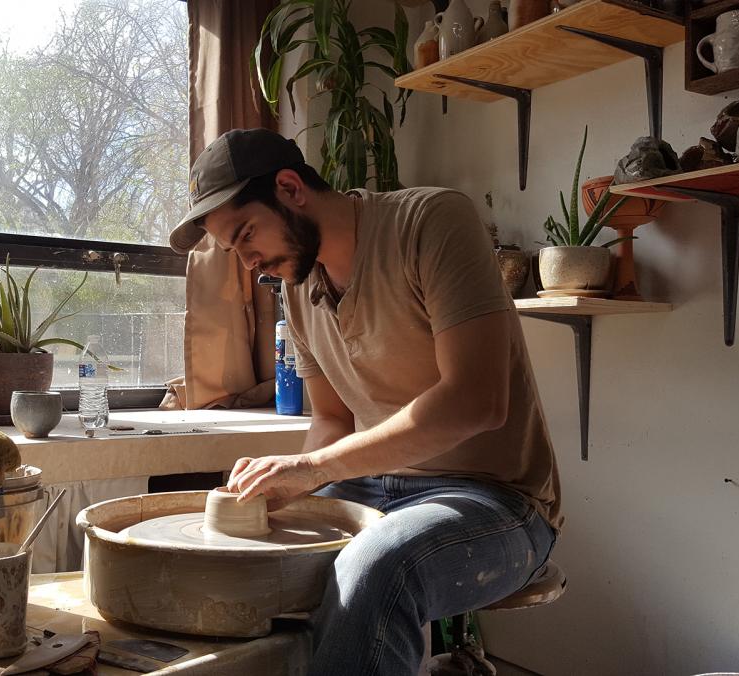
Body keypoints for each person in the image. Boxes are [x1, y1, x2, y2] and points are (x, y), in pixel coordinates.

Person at [170, 128, 562, 676]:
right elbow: (331, 420)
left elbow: (476, 401)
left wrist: (312, 468)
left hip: (495, 498)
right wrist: (285, 490)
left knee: (381, 567)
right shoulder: (297, 286)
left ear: (289, 188)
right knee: (246, 560)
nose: (249, 262)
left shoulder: (431, 220)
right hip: (372, 491)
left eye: (246, 234)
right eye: (235, 251)